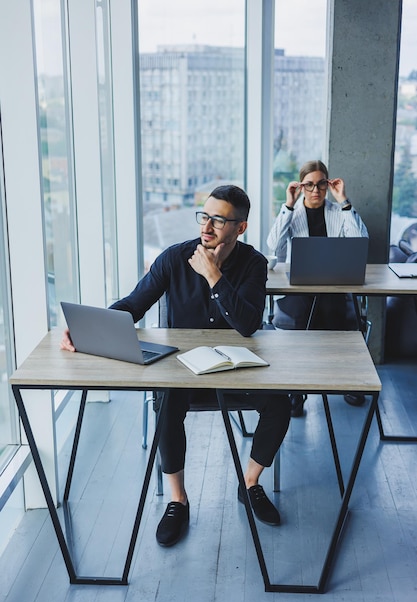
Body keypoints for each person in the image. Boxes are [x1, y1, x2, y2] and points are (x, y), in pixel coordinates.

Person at [61, 184, 291, 547]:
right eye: (205, 216)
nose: (207, 226)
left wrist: (213, 276)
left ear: (240, 228)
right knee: (166, 403)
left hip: (238, 367)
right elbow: (134, 304)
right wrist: (85, 331)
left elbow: (248, 324)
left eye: (219, 219)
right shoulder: (174, 257)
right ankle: (177, 499)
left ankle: (250, 483)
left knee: (281, 402)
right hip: (185, 368)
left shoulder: (254, 264)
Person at [267, 160, 369, 417]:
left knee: (338, 317)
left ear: (328, 184)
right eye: (309, 184)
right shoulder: (293, 213)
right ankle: (297, 391)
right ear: (301, 186)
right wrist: (288, 205)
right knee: (303, 316)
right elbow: (273, 248)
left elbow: (359, 243)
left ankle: (348, 380)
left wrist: (344, 201)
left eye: (321, 184)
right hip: (300, 289)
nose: (316, 190)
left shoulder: (338, 210)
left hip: (334, 286)